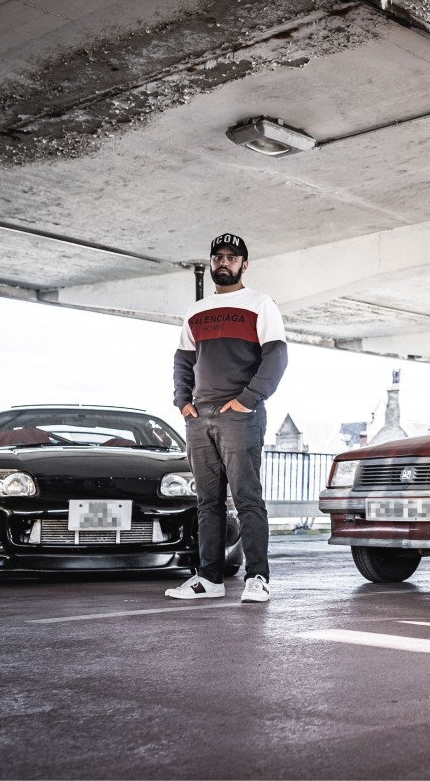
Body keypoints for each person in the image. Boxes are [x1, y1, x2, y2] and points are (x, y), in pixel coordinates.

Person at [166, 233, 289, 603]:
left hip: (240, 416)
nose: (224, 262)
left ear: (244, 264)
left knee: (248, 498)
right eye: (217, 257)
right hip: (199, 418)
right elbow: (183, 361)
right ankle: (209, 578)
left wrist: (246, 401)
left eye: (232, 257)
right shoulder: (196, 311)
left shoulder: (260, 304)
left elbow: (277, 357)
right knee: (207, 503)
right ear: (211, 263)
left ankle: (257, 578)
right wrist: (183, 403)